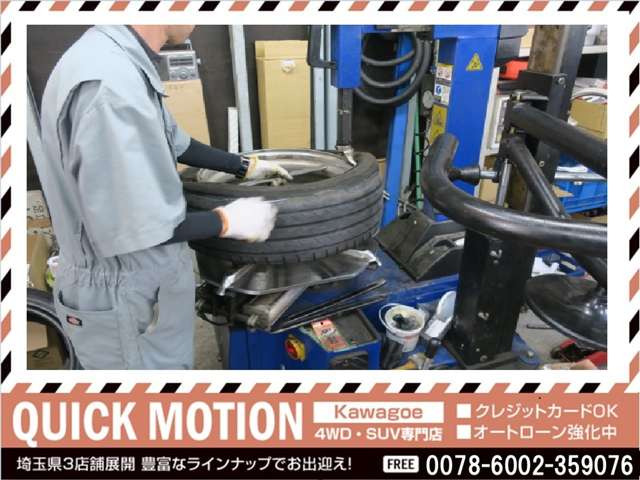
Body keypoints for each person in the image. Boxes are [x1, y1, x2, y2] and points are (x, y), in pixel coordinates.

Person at [35, 25, 291, 369]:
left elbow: (173, 140)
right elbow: (137, 225)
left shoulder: (118, 60)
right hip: (124, 297)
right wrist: (227, 221)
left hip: (140, 287)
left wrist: (243, 166)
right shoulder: (110, 86)